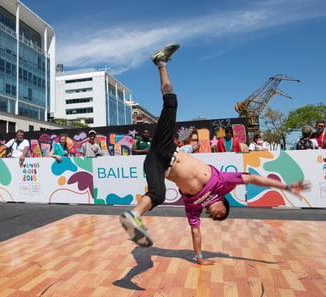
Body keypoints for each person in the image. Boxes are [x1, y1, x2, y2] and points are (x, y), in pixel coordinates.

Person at [119, 43, 310, 265]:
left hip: (155, 162)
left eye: (214, 217)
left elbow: (195, 232)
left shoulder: (194, 207)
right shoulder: (223, 184)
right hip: (167, 148)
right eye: (219, 214)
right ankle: (161, 62)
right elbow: (254, 178)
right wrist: (286, 187)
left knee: (158, 195)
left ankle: (133, 216)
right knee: (171, 103)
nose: (214, 215)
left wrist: (199, 257)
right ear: (223, 203)